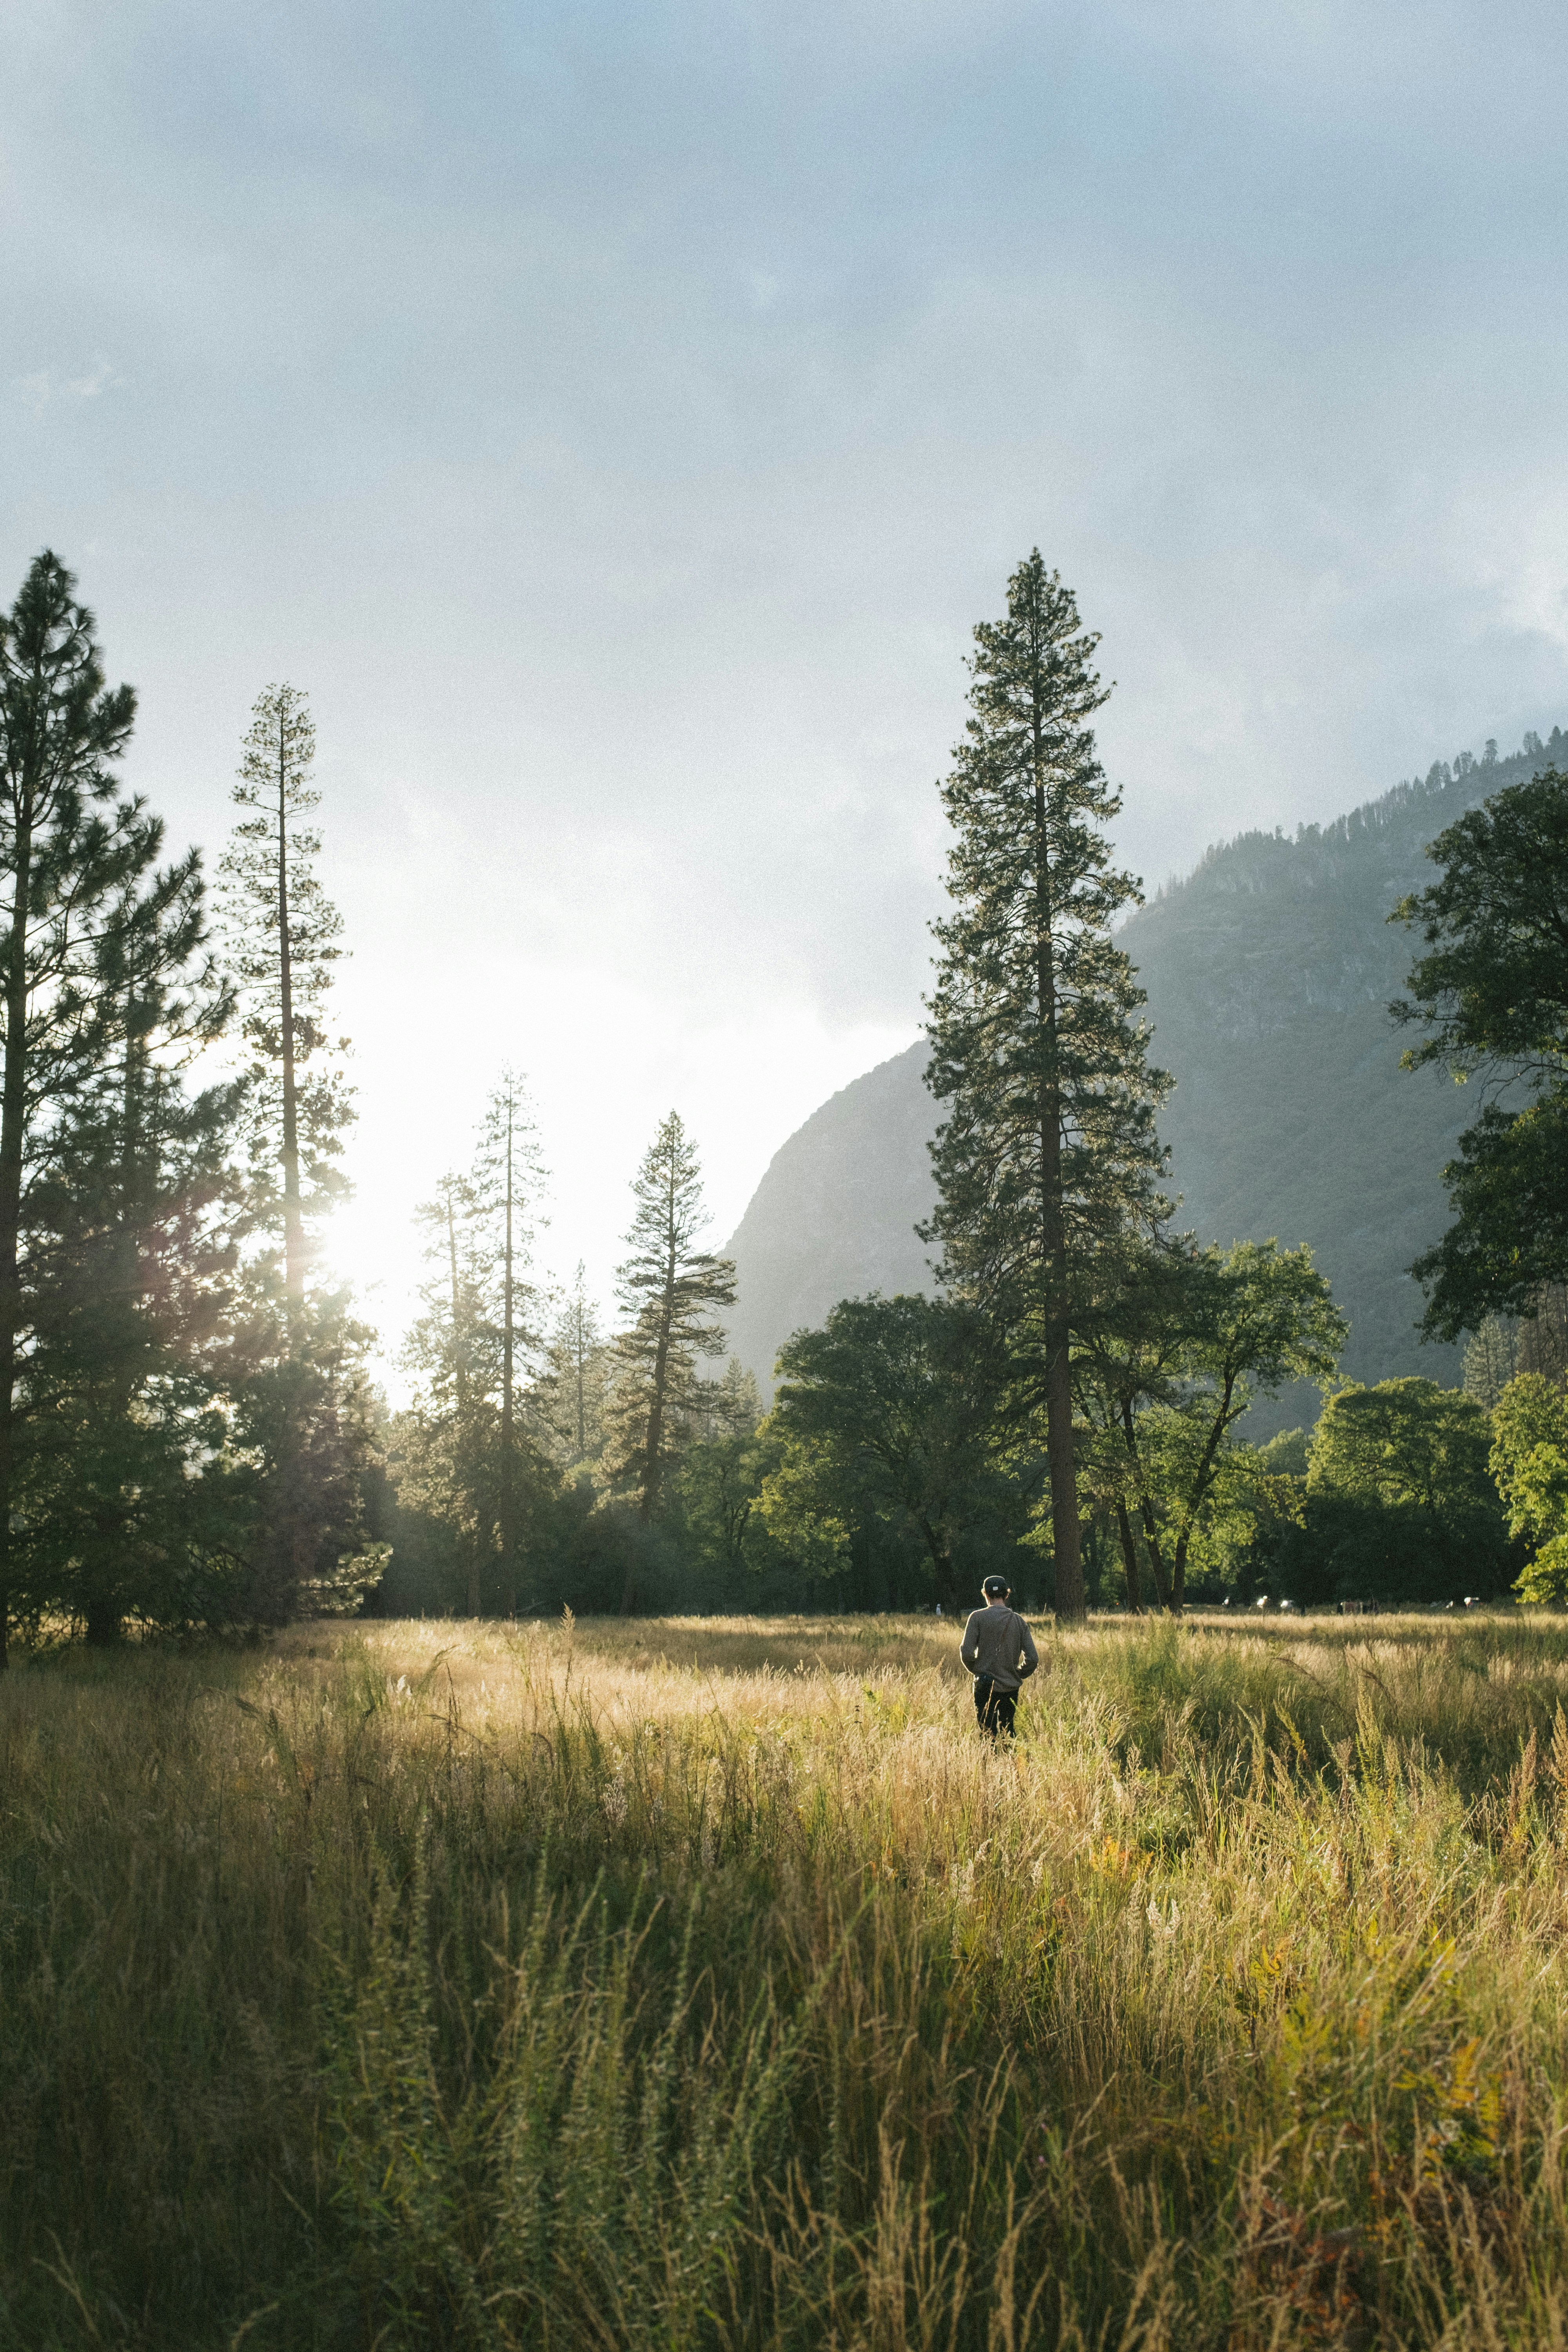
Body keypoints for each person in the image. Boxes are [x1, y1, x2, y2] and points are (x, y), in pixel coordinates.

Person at [959, 1575, 1038, 1738]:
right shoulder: (1019, 1621)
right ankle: (1013, 1762)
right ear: (1006, 1595)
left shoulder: (976, 1618)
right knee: (1009, 1731)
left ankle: (990, 1763)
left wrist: (979, 1671)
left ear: (986, 1595)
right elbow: (1033, 1659)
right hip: (1010, 1687)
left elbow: (967, 1652)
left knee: (987, 1734)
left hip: (985, 1687)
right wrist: (1017, 1673)